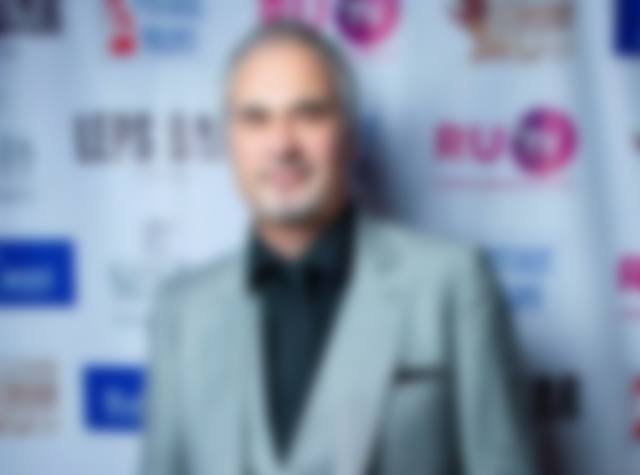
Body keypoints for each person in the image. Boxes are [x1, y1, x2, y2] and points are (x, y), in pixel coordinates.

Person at [139, 19, 535, 475]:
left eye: (308, 114)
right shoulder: (183, 310)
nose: (282, 144)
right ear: (229, 140)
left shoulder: (452, 284)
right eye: (256, 118)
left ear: (349, 134)